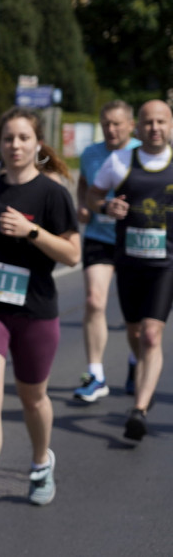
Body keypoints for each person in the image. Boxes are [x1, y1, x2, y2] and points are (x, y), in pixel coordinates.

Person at [0, 107, 80, 523]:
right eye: (8, 138)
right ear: (0, 144)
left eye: (23, 138)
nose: (15, 146)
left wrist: (32, 232)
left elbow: (73, 254)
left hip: (35, 310)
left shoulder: (52, 194)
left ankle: (41, 461)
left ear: (37, 143)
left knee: (33, 399)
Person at [87, 99, 173, 441]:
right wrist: (107, 205)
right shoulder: (120, 161)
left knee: (153, 334)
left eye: (162, 121)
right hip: (129, 262)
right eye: (148, 122)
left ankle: (138, 409)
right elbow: (92, 197)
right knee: (136, 333)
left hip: (166, 264)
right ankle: (140, 369)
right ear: (138, 127)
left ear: (171, 126)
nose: (155, 128)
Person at [73, 101, 140, 402]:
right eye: (105, 124)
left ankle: (137, 361)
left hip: (135, 240)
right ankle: (96, 374)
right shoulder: (91, 153)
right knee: (94, 301)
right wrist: (83, 205)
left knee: (135, 321)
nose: (110, 130)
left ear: (130, 124)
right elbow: (84, 184)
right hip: (99, 236)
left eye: (116, 124)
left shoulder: (144, 151)